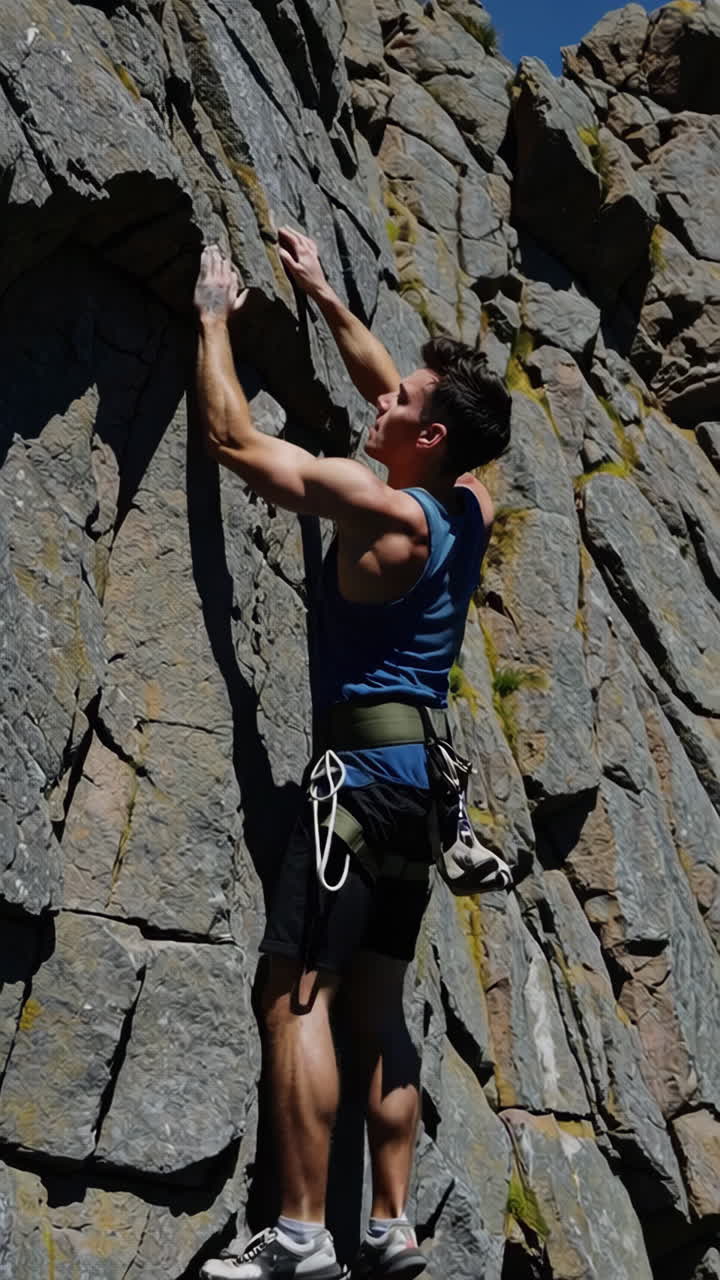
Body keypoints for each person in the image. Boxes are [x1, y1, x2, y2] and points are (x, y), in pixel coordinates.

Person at [194, 231, 512, 1280]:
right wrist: (326, 296)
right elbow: (404, 399)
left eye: (401, 401)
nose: (380, 398)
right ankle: (389, 1218)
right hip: (423, 794)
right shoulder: (467, 502)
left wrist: (213, 314)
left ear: (423, 437)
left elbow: (236, 442)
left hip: (356, 784)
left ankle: (298, 1230)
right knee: (379, 1001)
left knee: (299, 993)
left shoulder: (376, 506)